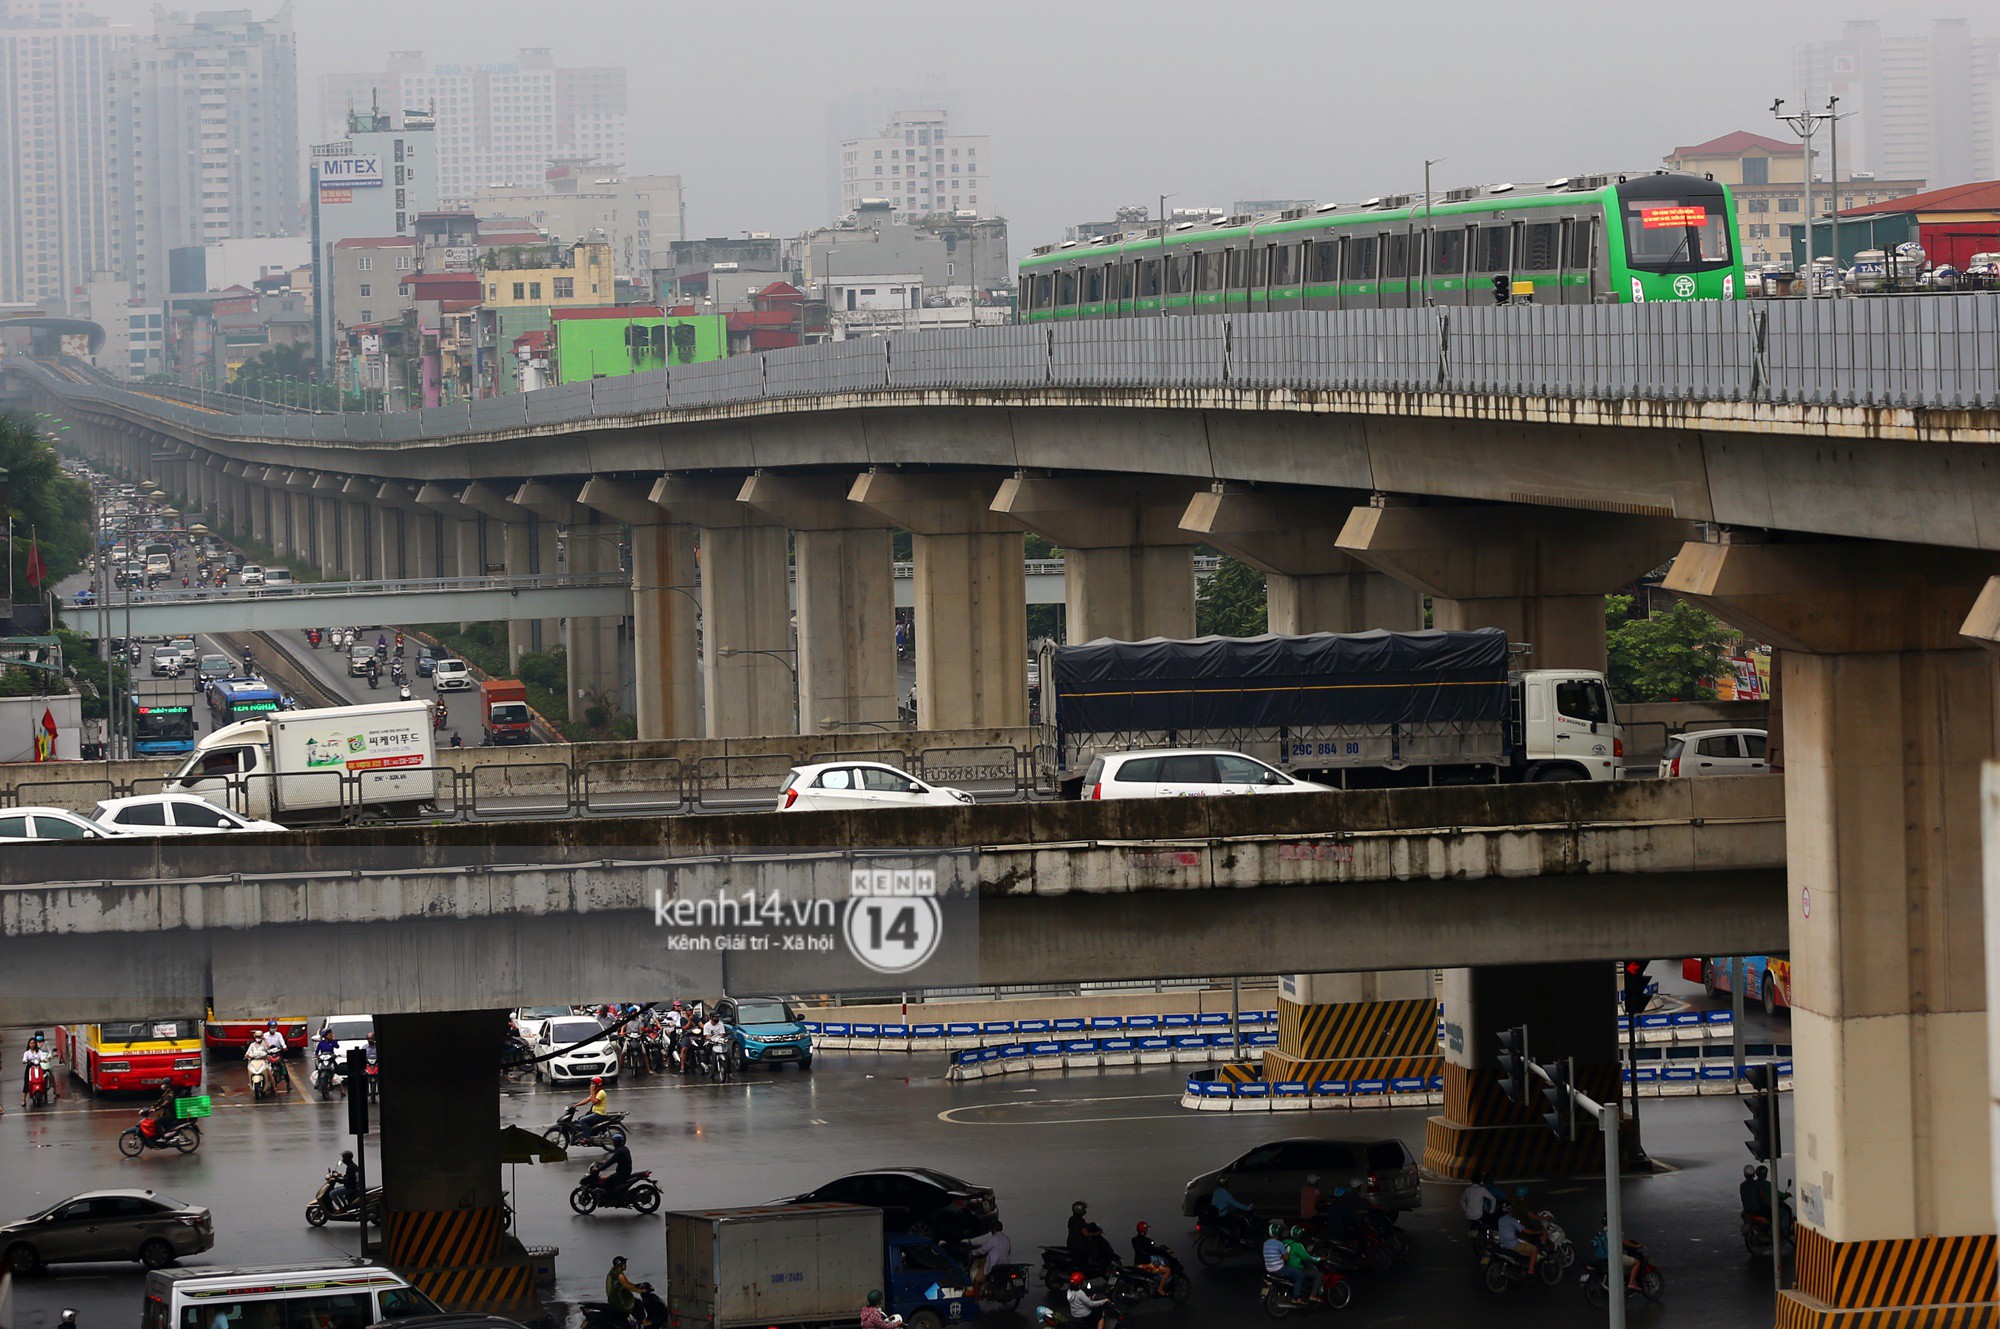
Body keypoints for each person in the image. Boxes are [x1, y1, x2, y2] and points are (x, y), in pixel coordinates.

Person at [1593, 1218, 1644, 1291]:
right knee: (1637, 1262)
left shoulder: (1602, 1231)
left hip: (1604, 1256)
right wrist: (1636, 1246)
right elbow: (1623, 1241)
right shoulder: (1616, 1229)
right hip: (1615, 1256)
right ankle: (1631, 1283)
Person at [1066, 1201, 1115, 1273]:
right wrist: (1096, 1233)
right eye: (1083, 1209)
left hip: (1071, 1242)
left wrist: (1091, 1225)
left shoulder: (1071, 1219)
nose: (1085, 1211)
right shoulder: (1081, 1220)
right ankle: (1091, 1265)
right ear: (1080, 1210)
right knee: (1094, 1246)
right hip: (1079, 1243)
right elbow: (1086, 1234)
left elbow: (1083, 1227)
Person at [965, 1220, 1010, 1296]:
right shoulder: (1006, 1238)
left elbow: (983, 1250)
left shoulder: (993, 1239)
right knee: (984, 1260)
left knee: (976, 1281)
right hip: (1005, 1263)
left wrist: (973, 1252)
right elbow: (1008, 1250)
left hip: (994, 1264)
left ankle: (976, 1301)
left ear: (994, 1229)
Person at [1130, 1220, 1173, 1296]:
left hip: (1137, 1264)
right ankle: (1160, 1289)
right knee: (1167, 1270)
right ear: (1144, 1230)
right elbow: (1154, 1250)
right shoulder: (1146, 1241)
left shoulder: (1134, 1240)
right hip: (1146, 1265)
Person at [1281, 1226, 1322, 1303]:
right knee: (1319, 1274)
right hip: (1298, 1269)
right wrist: (1318, 1259)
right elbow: (1307, 1258)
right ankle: (1313, 1295)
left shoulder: (1285, 1242)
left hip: (1287, 1267)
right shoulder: (1297, 1245)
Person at [1497, 1208, 1537, 1275]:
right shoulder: (1513, 1220)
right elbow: (1525, 1231)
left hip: (1503, 1244)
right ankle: (1531, 1270)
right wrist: (1535, 1232)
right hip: (1512, 1245)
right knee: (1534, 1250)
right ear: (1511, 1212)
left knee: (1521, 1242)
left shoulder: (1500, 1220)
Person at [21, 1033, 54, 1108]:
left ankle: (46, 1089)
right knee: (27, 1082)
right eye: (31, 1043)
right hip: (30, 1068)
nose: (32, 1044)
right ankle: (23, 1099)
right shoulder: (27, 1052)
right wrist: (25, 1061)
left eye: (34, 1043)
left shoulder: (39, 1052)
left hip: (39, 1066)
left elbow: (42, 1057)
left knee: (45, 1076)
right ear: (29, 1044)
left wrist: (46, 1060)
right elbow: (24, 1059)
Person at [605, 1256, 640, 1326]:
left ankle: (634, 1322)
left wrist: (636, 1286)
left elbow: (627, 1285)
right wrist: (641, 1290)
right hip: (619, 1301)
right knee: (636, 1304)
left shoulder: (613, 1272)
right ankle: (642, 1321)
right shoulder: (618, 1275)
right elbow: (628, 1286)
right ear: (619, 1265)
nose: (626, 1265)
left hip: (614, 1299)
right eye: (624, 1264)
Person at [602, 1131, 634, 1199]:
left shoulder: (619, 1151)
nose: (612, 1143)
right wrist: (605, 1162)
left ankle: (612, 1198)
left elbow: (610, 1162)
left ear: (616, 1142)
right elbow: (614, 1159)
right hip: (626, 1171)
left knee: (607, 1182)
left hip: (622, 1174)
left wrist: (599, 1169)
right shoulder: (624, 1148)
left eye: (613, 1141)